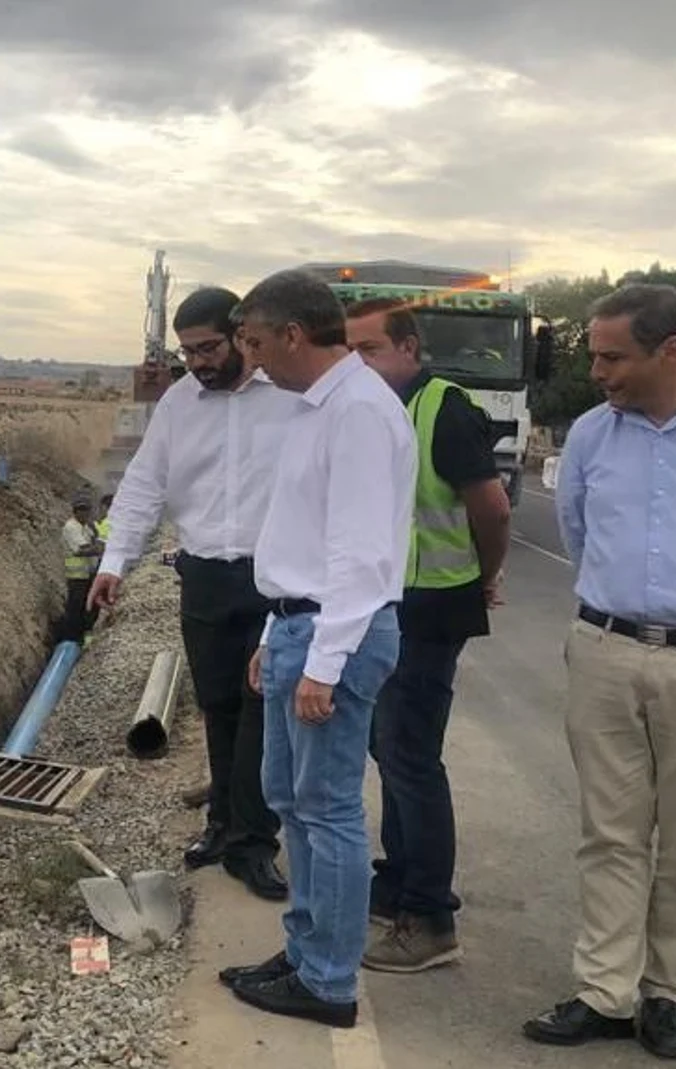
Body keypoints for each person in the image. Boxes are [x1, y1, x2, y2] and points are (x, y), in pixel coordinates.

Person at [522, 283, 676, 1060]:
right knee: (610, 834)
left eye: (613, 356)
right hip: (606, 652)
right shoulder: (589, 435)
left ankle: (667, 992)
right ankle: (604, 991)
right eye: (594, 354)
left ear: (672, 352)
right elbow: (579, 534)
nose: (597, 370)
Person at [214, 269, 415, 1029]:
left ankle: (329, 979)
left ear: (293, 334)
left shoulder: (358, 412)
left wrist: (324, 665)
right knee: (292, 803)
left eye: (259, 343)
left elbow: (360, 556)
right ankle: (304, 952)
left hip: (338, 630)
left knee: (327, 814)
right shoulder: (320, 408)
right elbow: (300, 536)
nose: (255, 360)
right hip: (301, 625)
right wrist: (276, 636)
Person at [90, 286, 303, 902]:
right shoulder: (181, 405)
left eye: (208, 348)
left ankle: (254, 844)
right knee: (219, 706)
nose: (198, 363)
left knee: (262, 712)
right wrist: (115, 562)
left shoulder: (290, 400)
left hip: (273, 579)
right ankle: (221, 827)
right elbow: (142, 486)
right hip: (205, 575)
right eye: (187, 353)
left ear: (241, 336)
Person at [344, 298, 513, 973]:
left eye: (370, 349)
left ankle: (430, 916)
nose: (357, 363)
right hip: (389, 605)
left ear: (409, 348)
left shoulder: (441, 406)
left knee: (411, 757)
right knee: (388, 748)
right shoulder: (375, 411)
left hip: (431, 608)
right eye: (348, 349)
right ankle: (397, 882)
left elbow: (491, 506)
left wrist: (485, 574)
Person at [57, 494, 103, 644]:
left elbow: (94, 541)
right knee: (75, 609)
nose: (83, 513)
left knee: (88, 607)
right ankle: (71, 639)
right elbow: (81, 550)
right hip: (77, 576)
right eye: (80, 510)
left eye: (86, 510)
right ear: (75, 512)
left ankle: (85, 637)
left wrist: (96, 540)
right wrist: (101, 549)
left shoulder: (85, 527)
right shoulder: (71, 527)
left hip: (87, 574)